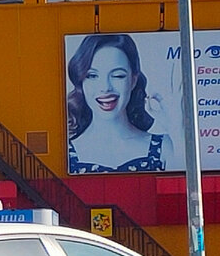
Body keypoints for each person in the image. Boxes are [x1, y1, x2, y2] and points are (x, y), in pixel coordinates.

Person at [66, 33, 175, 173]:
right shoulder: (67, 153)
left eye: (118, 75)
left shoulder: (164, 146)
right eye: (92, 76)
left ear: (133, 80)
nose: (105, 87)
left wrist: (177, 126)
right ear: (81, 81)